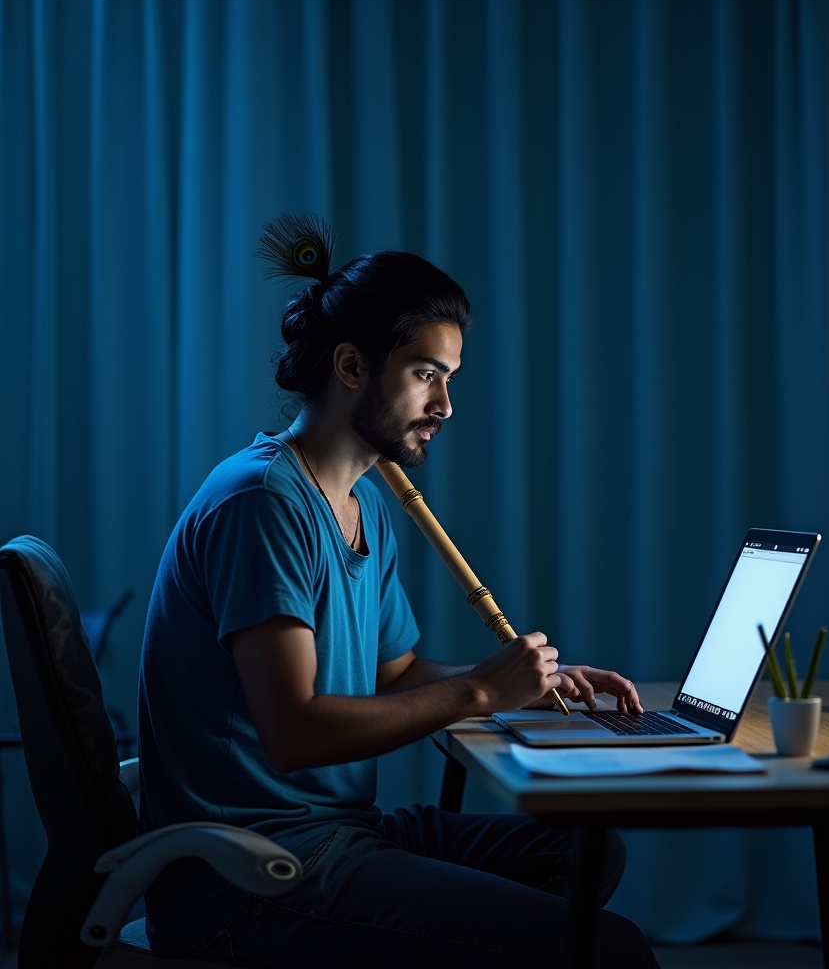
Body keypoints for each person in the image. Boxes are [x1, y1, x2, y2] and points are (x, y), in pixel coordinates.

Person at [137, 213, 661, 968]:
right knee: (611, 950)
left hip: (340, 829)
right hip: (252, 873)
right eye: (425, 375)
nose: (445, 405)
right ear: (352, 366)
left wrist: (521, 682)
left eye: (449, 379)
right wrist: (480, 692)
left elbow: (397, 673)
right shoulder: (263, 503)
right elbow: (295, 732)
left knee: (584, 853)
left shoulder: (364, 501)